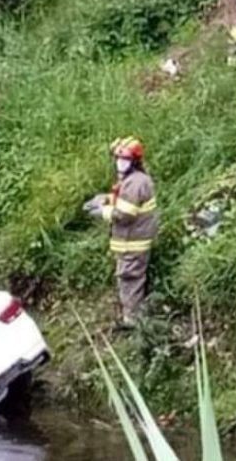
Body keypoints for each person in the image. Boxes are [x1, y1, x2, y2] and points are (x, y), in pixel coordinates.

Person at [84, 137, 159, 328]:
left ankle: (134, 321)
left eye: (124, 160)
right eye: (118, 159)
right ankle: (136, 317)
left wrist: (103, 211)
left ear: (134, 162)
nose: (120, 164)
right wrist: (105, 199)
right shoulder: (134, 180)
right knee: (130, 280)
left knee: (129, 280)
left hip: (133, 243)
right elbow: (123, 199)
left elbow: (125, 214)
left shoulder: (135, 183)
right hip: (132, 241)